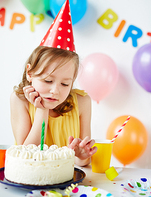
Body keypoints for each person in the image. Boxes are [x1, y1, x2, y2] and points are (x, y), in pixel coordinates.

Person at [10, 0, 97, 167]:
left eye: (65, 84)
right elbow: (26, 157)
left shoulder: (82, 102)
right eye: (48, 80)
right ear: (30, 73)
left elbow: (83, 161)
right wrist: (42, 110)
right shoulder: (19, 99)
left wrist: (81, 154)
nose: (55, 90)